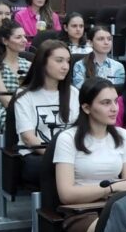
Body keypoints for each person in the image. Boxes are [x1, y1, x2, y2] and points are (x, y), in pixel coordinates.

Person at [54, 79, 126, 232]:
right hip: (81, 213)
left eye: (115, 101)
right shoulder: (67, 138)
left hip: (116, 208)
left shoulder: (124, 136)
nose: (114, 108)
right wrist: (111, 188)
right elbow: (66, 194)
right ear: (86, 108)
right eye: (106, 103)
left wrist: (117, 191)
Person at [13, 40, 79, 185]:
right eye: (59, 61)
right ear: (42, 63)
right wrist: (61, 157)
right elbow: (28, 138)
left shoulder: (73, 93)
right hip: (37, 154)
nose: (65, 66)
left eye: (68, 61)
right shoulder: (24, 95)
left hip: (71, 153)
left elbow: (80, 130)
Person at [0, 19, 31, 136]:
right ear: (5, 41)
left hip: (28, 108)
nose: (24, 40)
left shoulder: (29, 64)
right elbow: (5, 101)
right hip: (5, 111)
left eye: (24, 37)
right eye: (18, 37)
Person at [72, 26, 126, 90]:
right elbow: (80, 91)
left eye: (109, 39)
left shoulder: (118, 66)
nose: (106, 42)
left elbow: (118, 91)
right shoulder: (80, 65)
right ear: (90, 43)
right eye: (101, 39)